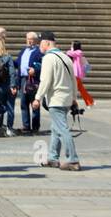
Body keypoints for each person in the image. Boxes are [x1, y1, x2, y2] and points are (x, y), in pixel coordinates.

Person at [33, 31, 81, 171]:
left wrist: (37, 97)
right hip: (66, 98)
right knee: (56, 128)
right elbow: (74, 80)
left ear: (47, 43)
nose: (39, 47)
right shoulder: (65, 57)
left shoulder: (48, 58)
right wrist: (73, 98)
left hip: (56, 99)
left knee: (62, 129)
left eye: (40, 43)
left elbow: (45, 80)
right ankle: (53, 158)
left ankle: (73, 159)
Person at [16, 31, 43, 134]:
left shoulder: (39, 51)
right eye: (27, 39)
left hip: (33, 80)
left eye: (31, 39)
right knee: (23, 103)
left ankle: (35, 127)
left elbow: (43, 65)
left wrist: (35, 70)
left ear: (36, 40)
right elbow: (18, 62)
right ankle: (26, 126)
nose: (29, 41)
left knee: (34, 103)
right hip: (23, 79)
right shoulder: (23, 50)